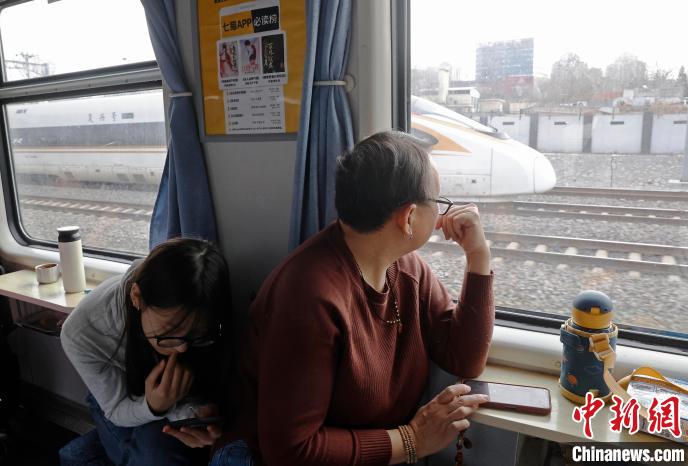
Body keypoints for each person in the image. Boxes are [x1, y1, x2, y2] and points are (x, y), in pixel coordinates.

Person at [212, 130, 495, 465]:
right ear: (408, 218)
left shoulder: (406, 268)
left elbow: (464, 358)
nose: (442, 213)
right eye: (438, 202)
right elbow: (290, 450)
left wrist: (478, 255)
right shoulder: (308, 297)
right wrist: (413, 439)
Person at [58, 238, 233, 466]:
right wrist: (154, 406)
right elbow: (116, 407)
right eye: (169, 334)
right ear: (136, 297)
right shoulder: (82, 331)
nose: (182, 348)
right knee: (155, 456)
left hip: (171, 397)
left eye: (195, 336)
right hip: (118, 395)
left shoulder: (203, 302)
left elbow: (196, 391)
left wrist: (194, 414)